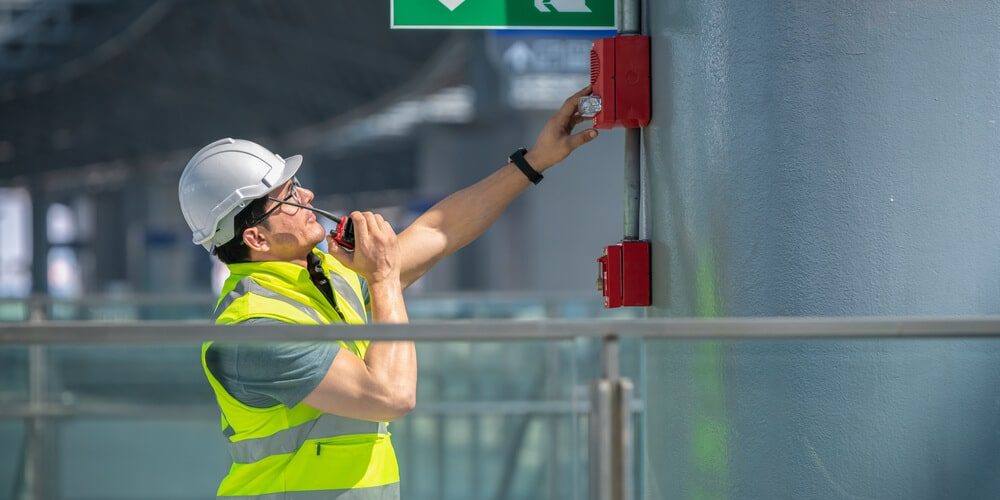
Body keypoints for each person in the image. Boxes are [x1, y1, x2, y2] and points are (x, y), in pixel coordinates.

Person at [177, 86, 599, 499]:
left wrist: (536, 160)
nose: (308, 196)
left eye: (297, 184)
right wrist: (382, 278)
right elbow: (391, 396)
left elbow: (439, 230)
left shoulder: (330, 277)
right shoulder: (253, 331)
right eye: (287, 198)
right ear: (256, 238)